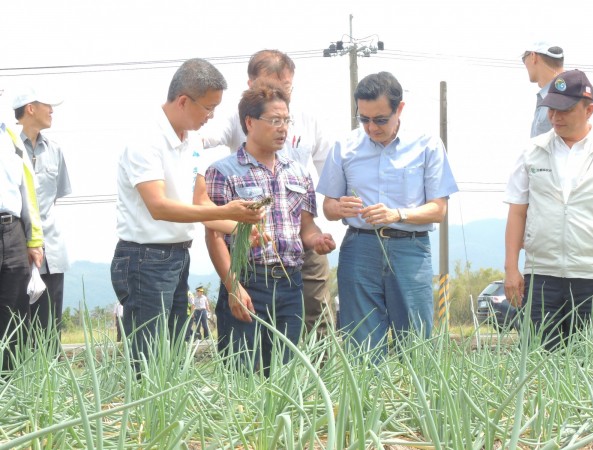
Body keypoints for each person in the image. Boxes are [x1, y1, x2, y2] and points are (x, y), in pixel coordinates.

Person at [110, 58, 266, 366]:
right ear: (183, 101)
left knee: (173, 353)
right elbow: (158, 206)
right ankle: (145, 412)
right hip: (144, 258)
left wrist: (239, 223)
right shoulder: (145, 141)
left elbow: (201, 202)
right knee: (149, 358)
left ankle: (161, 412)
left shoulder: (192, 140)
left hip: (178, 256)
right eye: (208, 108)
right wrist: (227, 210)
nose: (211, 116)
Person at [317, 72, 458, 355]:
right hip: (360, 248)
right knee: (361, 343)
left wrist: (397, 214)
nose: (371, 127)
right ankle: (366, 399)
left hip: (410, 249)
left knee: (417, 342)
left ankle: (418, 397)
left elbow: (438, 210)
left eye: (380, 119)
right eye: (364, 119)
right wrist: (339, 208)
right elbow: (328, 207)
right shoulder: (344, 147)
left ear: (400, 109)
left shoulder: (427, 145)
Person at [202, 82, 336, 375]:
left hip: (290, 284)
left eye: (286, 120)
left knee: (285, 376)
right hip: (247, 281)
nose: (283, 128)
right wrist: (232, 287)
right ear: (249, 122)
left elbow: (306, 226)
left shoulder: (298, 172)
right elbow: (214, 236)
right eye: (275, 120)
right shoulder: (222, 172)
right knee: (243, 376)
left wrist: (317, 240)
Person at [505, 69, 593, 349]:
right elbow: (517, 211)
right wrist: (512, 267)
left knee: (591, 369)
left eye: (565, 110)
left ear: (589, 110)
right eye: (551, 110)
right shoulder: (532, 151)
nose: (555, 118)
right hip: (542, 278)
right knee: (540, 364)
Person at [13, 88, 72, 337]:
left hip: (51, 251)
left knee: (49, 331)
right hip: (14, 250)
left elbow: (52, 200)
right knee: (17, 329)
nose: (52, 111)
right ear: (30, 108)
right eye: (48, 105)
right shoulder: (8, 148)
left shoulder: (55, 151)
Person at [0, 97, 44, 372]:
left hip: (12, 230)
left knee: (14, 314)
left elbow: (28, 192)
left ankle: (10, 390)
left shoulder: (11, 138)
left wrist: (34, 240)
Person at [521, 41, 564, 137]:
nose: (525, 65)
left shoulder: (561, 96)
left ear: (533, 56)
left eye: (523, 59)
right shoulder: (568, 90)